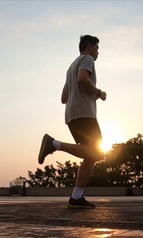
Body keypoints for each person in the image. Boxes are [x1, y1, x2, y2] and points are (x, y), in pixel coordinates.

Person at [38, 35, 106, 209]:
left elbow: (63, 98)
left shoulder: (70, 67)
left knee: (90, 156)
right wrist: (97, 92)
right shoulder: (87, 59)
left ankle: (76, 196)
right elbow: (82, 79)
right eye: (97, 48)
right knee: (97, 153)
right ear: (90, 46)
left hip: (71, 114)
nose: (98, 52)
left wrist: (82, 94)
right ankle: (54, 144)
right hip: (84, 113)